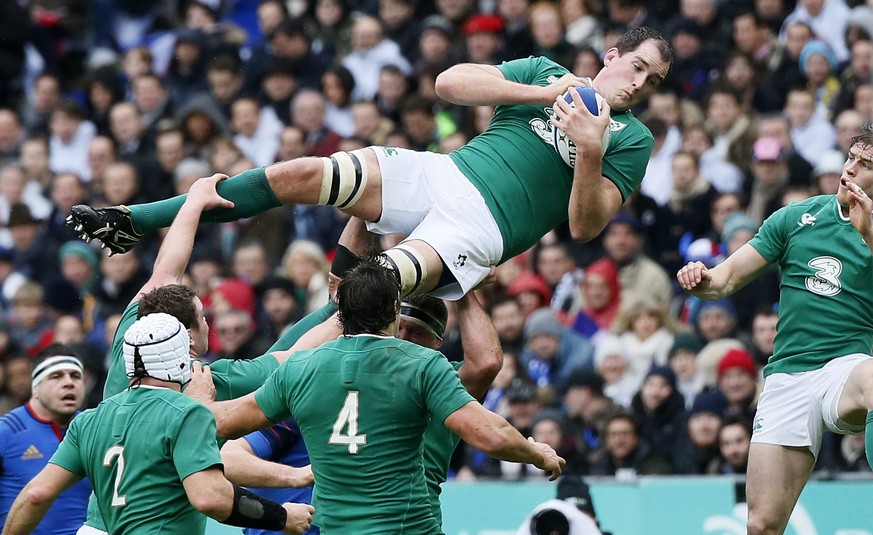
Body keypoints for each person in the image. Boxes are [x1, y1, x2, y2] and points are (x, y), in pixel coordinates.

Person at [68, 27, 673, 301]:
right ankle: (136, 219)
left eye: (654, 79)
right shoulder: (548, 73)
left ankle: (272, 386)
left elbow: (586, 228)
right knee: (299, 173)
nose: (640, 83)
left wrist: (590, 150)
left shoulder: (633, 138)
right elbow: (449, 82)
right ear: (611, 54)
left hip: (482, 230)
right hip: (447, 171)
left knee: (369, 290)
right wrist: (548, 96)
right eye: (637, 66)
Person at [188, 260, 565, 534]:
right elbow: (488, 434)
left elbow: (222, 422)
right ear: (394, 312)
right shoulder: (424, 367)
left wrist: (202, 400)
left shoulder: (299, 369)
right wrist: (535, 453)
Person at [77, 174, 341, 534]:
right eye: (203, 316)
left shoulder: (131, 333)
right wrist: (348, 311)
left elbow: (166, 268)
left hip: (94, 526)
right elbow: (290, 355)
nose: (208, 322)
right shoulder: (205, 382)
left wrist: (194, 202)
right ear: (186, 336)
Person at [676, 124, 873, 534]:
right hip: (788, 377)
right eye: (851, 158)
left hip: (847, 367)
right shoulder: (796, 218)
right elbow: (727, 278)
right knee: (762, 525)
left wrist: (868, 233)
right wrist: (703, 278)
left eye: (866, 164)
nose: (850, 169)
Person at [1, 314, 314, 535]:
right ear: (181, 359)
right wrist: (283, 517)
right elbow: (210, 497)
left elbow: (36, 495)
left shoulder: (88, 419)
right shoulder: (187, 413)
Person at [221, 289, 503, 532]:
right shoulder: (328, 379)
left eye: (417, 332)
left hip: (411, 521)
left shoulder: (441, 380)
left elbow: (486, 363)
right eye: (400, 327)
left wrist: (463, 286)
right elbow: (230, 451)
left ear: (438, 342)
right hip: (338, 523)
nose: (403, 338)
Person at [0, 346, 91, 535]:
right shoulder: (6, 431)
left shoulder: (96, 430)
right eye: (56, 376)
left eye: (75, 376)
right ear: (36, 387)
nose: (69, 383)